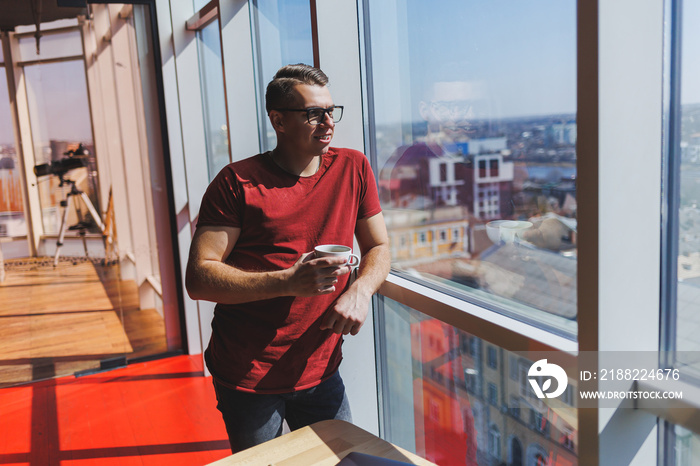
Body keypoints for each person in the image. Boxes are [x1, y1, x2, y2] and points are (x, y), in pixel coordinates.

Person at [185, 64, 390, 453]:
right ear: (278, 120)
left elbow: (379, 247)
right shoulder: (236, 183)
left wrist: (361, 291)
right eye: (313, 113)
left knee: (342, 461)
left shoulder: (353, 168)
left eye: (331, 110)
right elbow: (199, 278)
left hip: (321, 367)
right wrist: (288, 281)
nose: (327, 122)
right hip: (248, 375)